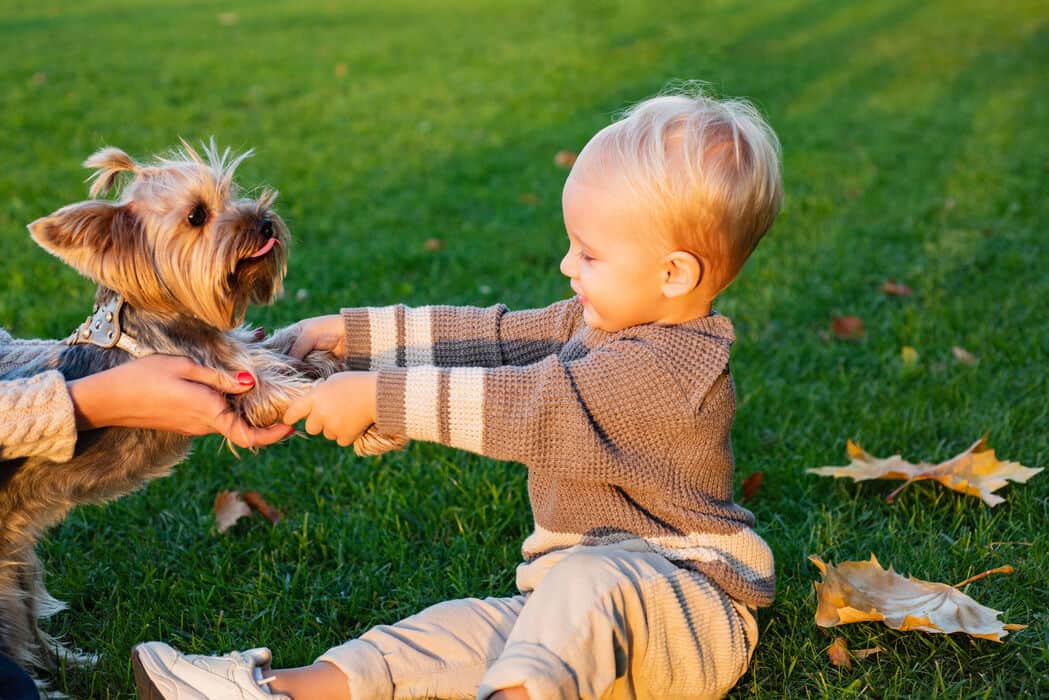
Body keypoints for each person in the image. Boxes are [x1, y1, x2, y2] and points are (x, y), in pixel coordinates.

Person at [132, 86, 784, 700]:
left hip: (688, 614)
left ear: (673, 274)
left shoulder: (672, 373)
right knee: (445, 636)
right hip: (571, 619)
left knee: (585, 585)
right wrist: (353, 336)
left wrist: (377, 398)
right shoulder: (592, 326)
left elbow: (531, 406)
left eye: (588, 255)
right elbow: (489, 339)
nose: (566, 266)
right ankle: (279, 689)